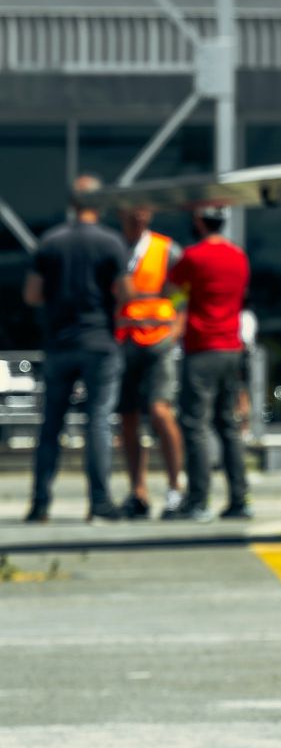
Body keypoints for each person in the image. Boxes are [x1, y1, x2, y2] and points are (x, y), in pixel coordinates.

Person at [23, 176, 129, 523]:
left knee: (51, 424)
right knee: (98, 421)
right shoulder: (111, 243)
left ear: (72, 203)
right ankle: (99, 504)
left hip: (59, 343)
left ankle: (40, 503)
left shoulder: (50, 242)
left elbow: (32, 295)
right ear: (98, 204)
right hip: (99, 342)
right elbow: (124, 294)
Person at [169, 206, 251, 522]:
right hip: (232, 348)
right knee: (228, 426)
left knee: (194, 425)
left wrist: (181, 305)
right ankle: (239, 499)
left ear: (199, 222)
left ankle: (199, 501)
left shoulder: (194, 256)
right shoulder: (238, 257)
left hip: (202, 348)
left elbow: (172, 292)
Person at [114, 203, 187, 520]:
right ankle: (138, 491)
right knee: (127, 418)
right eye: (132, 209)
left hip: (158, 339)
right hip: (124, 340)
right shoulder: (113, 248)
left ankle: (175, 488)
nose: (138, 214)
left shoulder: (166, 249)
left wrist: (177, 328)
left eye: (143, 209)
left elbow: (182, 292)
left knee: (160, 412)